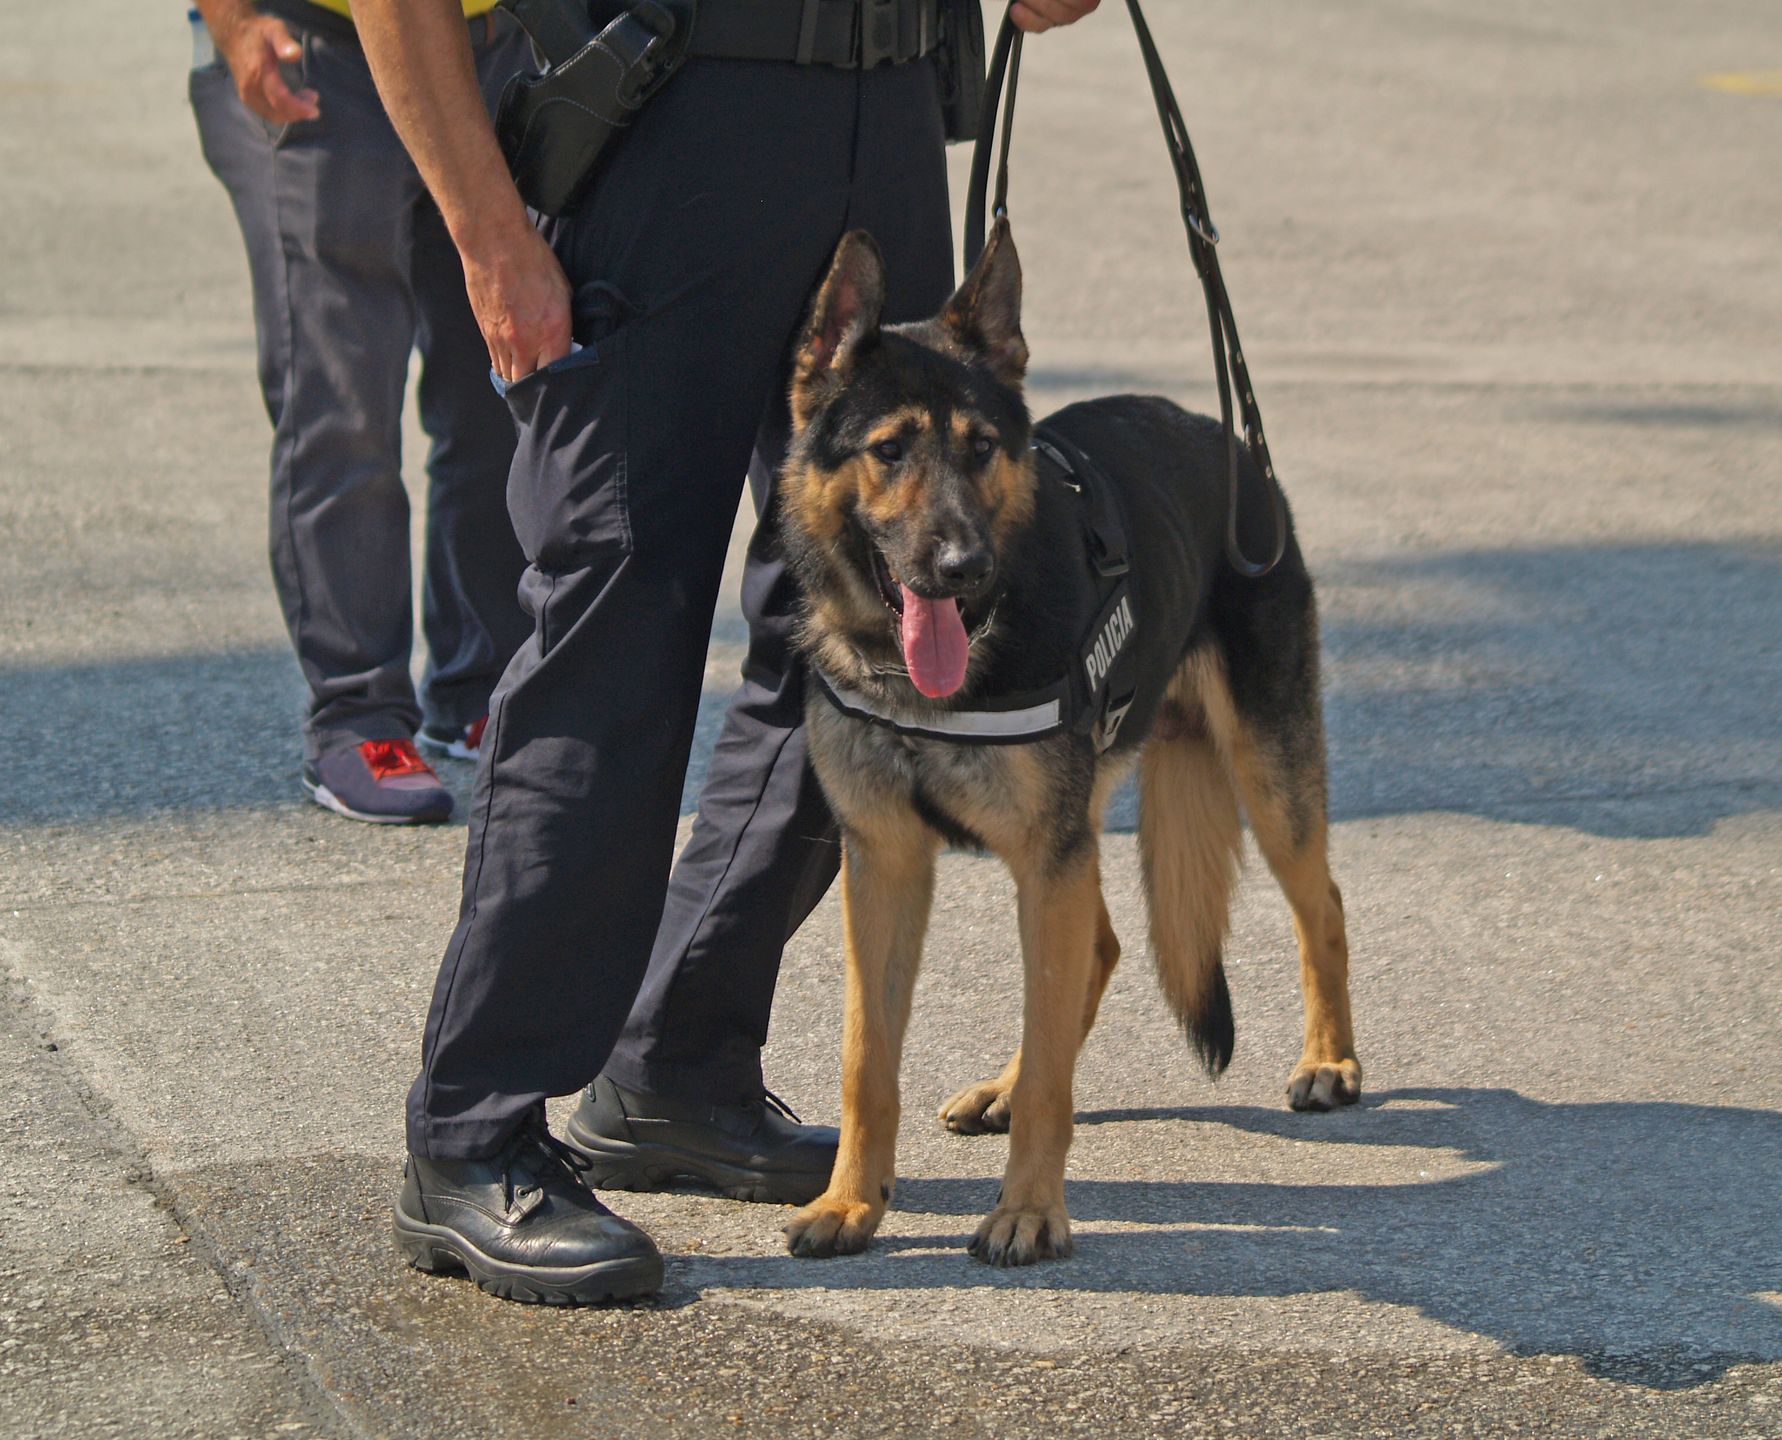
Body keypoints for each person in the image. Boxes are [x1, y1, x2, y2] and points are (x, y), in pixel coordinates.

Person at [355, 0, 1101, 1303]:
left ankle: (677, 1063)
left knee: (870, 645)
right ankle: (473, 1136)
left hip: (888, 115)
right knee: (615, 642)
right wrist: (485, 231)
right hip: (669, 121)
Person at [191, 0, 533, 824]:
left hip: (492, 47)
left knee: (500, 386)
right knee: (342, 403)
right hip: (316, 52)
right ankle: (359, 716)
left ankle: (478, 685)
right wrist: (233, 23)